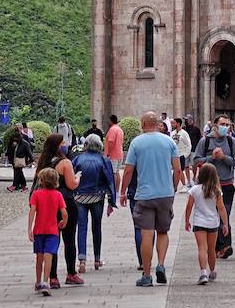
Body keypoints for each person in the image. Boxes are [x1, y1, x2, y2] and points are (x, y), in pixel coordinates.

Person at [120, 111, 180, 287]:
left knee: (147, 233)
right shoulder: (169, 141)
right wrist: (174, 188)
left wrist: (123, 191)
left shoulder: (137, 142)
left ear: (143, 123)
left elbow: (129, 170)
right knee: (163, 232)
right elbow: (177, 169)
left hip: (145, 194)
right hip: (165, 193)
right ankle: (161, 264)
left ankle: (147, 274)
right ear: (157, 124)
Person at [34, 134, 84, 286]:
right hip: (65, 202)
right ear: (58, 146)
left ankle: (53, 277)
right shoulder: (65, 163)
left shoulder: (43, 162)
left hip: (47, 204)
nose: (66, 145)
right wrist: (78, 177)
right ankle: (71, 273)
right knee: (69, 240)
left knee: (52, 240)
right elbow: (71, 184)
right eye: (63, 142)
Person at [191, 114, 235, 258]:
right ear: (215, 125)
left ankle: (225, 246)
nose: (226, 127)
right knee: (212, 217)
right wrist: (211, 158)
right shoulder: (205, 141)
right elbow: (196, 161)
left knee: (225, 215)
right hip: (208, 186)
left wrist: (223, 157)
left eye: (228, 124)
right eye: (223, 124)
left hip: (226, 184)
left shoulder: (232, 142)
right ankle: (216, 246)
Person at [73, 133, 117, 272]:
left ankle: (82, 260)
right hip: (97, 197)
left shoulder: (78, 159)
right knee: (96, 227)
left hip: (79, 197)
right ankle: (97, 259)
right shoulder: (104, 160)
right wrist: (111, 201)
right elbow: (110, 181)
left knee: (82, 227)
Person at [185, 162, 229, 284]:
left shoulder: (194, 190)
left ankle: (203, 272)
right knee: (211, 249)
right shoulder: (216, 191)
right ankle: (212, 271)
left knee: (202, 248)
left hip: (199, 222)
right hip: (213, 223)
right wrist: (225, 224)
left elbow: (189, 207)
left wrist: (187, 220)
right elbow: (221, 208)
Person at [28, 166, 67, 296]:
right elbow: (64, 213)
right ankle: (46, 281)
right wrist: (63, 222)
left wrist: (29, 228)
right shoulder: (58, 195)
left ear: (41, 181)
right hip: (53, 230)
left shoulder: (36, 194)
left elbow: (32, 211)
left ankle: (38, 282)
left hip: (39, 229)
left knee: (39, 257)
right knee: (48, 255)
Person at [171, 118, 192, 186]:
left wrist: (185, 155)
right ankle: (175, 185)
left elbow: (188, 145)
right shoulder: (172, 133)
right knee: (176, 170)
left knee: (180, 170)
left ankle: (184, 185)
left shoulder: (184, 133)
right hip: (174, 155)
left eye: (174, 123)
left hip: (182, 155)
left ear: (178, 123)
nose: (172, 124)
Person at [104, 114, 125, 181]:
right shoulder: (120, 129)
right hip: (120, 154)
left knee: (113, 173)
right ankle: (117, 190)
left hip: (113, 155)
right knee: (117, 172)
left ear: (111, 120)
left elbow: (111, 142)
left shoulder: (112, 129)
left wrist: (108, 154)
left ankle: (114, 189)